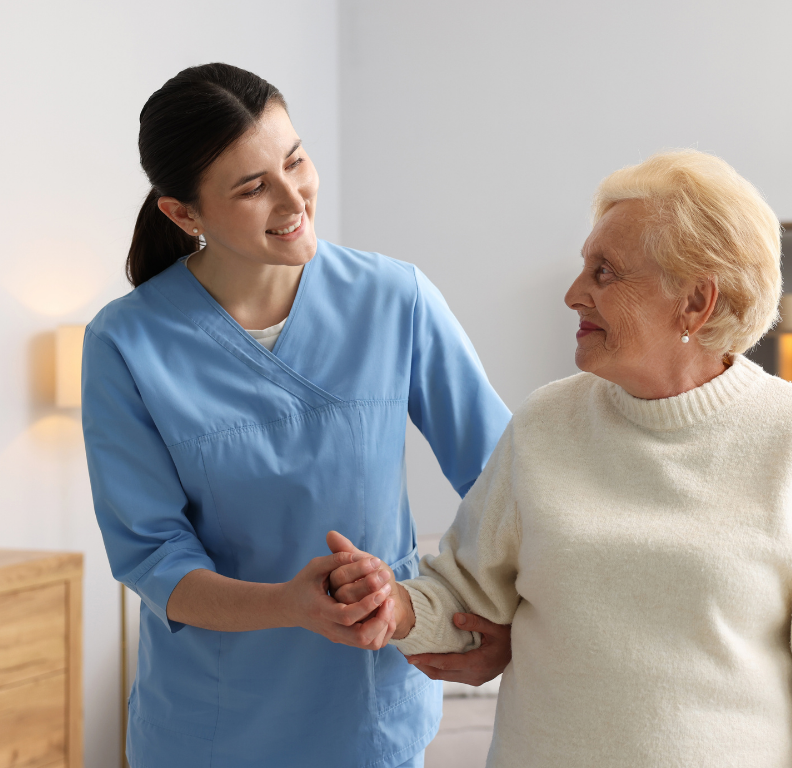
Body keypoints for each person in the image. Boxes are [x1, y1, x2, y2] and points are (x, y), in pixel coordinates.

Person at [330, 150, 792, 766]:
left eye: (605, 273)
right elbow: (467, 595)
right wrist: (392, 605)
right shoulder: (546, 424)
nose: (574, 293)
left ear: (695, 302)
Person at [82, 63, 513, 768]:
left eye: (296, 161)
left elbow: (505, 485)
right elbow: (153, 557)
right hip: (210, 727)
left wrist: (492, 619)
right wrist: (290, 603)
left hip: (371, 714)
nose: (294, 199)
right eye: (253, 187)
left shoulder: (393, 298)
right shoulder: (125, 344)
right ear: (183, 214)